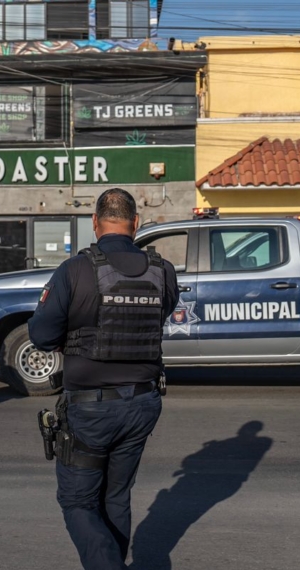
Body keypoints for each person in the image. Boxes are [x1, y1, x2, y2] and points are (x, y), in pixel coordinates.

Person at [28, 188, 178, 570]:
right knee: (116, 496)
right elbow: (161, 315)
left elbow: (42, 336)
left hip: (91, 408)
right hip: (144, 404)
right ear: (136, 224)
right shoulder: (162, 270)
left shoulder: (75, 270)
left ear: (95, 223)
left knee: (78, 502)